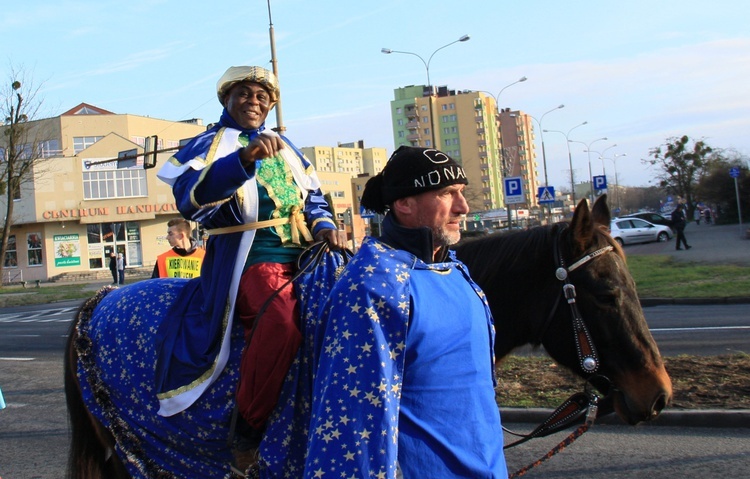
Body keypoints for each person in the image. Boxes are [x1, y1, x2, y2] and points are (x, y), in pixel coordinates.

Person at [154, 65, 342, 473]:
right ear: (226, 99)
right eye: (244, 94)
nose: (253, 102)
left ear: (271, 104)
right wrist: (242, 160)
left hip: (305, 252)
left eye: (262, 96)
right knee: (281, 323)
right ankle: (248, 429)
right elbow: (191, 200)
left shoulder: (287, 146)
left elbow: (313, 199)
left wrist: (325, 226)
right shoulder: (208, 144)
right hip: (249, 254)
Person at [300, 146, 508, 478]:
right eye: (446, 194)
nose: (463, 207)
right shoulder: (372, 287)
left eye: (462, 193)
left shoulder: (456, 272)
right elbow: (352, 423)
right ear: (404, 203)